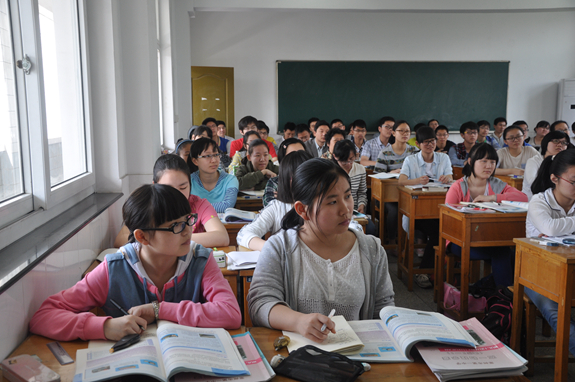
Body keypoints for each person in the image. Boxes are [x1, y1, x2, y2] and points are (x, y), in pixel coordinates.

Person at [31, 183, 241, 341]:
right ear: (142, 237)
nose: (188, 231)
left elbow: (231, 314)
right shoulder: (114, 269)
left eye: (188, 220)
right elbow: (44, 317)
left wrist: (158, 309)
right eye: (176, 226)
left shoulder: (200, 260)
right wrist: (104, 327)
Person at [247, 159, 395, 341]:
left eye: (347, 196)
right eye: (332, 202)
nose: (346, 209)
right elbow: (260, 304)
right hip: (300, 358)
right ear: (302, 210)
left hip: (358, 356)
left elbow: (384, 307)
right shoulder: (280, 248)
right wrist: (298, 321)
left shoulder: (371, 249)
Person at [445, 143, 528, 286]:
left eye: (492, 162)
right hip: (459, 240)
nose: (489, 166)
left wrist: (494, 197)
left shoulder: (496, 184)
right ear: (470, 162)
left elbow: (523, 198)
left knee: (515, 257)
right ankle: (504, 299)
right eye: (483, 161)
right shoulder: (458, 187)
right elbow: (448, 220)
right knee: (502, 254)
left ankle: (487, 291)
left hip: (489, 237)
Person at [113, 154, 229, 248]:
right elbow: (121, 239)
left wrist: (164, 240)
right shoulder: (148, 207)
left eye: (183, 187)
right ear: (155, 186)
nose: (176, 195)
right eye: (168, 189)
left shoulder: (200, 205)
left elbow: (221, 237)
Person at [525, 149, 575, 357]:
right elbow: (550, 228)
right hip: (538, 273)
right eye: (574, 181)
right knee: (556, 313)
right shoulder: (539, 201)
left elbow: (554, 227)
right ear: (555, 178)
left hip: (570, 269)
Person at [398, 127, 453, 289]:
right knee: (438, 231)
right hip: (418, 212)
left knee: (449, 228)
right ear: (419, 144)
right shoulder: (411, 160)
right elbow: (401, 181)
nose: (430, 145)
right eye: (427, 142)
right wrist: (416, 181)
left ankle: (444, 269)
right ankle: (425, 271)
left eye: (433, 141)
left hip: (440, 209)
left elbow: (450, 177)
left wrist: (446, 178)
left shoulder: (443, 158)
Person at [238, 151, 313, 251]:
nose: (303, 182)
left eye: (309, 177)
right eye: (296, 177)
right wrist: (274, 249)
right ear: (286, 180)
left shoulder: (324, 206)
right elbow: (243, 235)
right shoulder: (277, 207)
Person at [332, 140, 377, 236]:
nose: (348, 164)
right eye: (344, 161)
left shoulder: (360, 169)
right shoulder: (331, 172)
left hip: (355, 212)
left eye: (351, 159)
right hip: (336, 212)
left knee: (371, 228)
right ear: (335, 156)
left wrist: (362, 205)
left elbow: (362, 192)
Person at [189, 138, 239, 213]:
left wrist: (196, 207)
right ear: (195, 161)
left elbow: (227, 206)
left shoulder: (230, 180)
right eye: (207, 156)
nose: (214, 160)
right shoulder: (188, 181)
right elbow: (185, 207)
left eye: (216, 155)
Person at [522, 131, 569, 200]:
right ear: (546, 142)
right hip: (533, 199)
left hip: (559, 200)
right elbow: (533, 182)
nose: (560, 145)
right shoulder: (534, 161)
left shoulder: (567, 162)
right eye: (556, 141)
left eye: (564, 143)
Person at [264, 138, 306, 207]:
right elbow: (268, 204)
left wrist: (287, 199)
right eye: (292, 155)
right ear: (283, 159)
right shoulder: (275, 181)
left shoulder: (313, 179)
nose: (298, 158)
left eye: (301, 153)